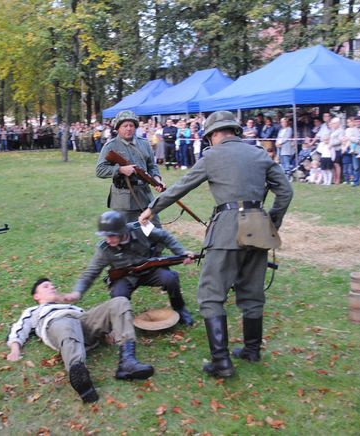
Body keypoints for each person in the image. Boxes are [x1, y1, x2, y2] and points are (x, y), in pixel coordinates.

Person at [138, 111, 293, 378]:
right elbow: (286, 192)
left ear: (212, 134)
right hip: (259, 228)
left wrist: (151, 209)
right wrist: (271, 222)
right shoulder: (258, 154)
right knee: (252, 293)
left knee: (211, 295)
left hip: (225, 231)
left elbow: (180, 187)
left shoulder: (212, 155)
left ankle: (221, 363)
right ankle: (252, 350)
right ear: (235, 131)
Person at [7, 278, 153, 403]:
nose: (52, 287)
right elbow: (20, 328)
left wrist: (105, 334)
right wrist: (15, 348)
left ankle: (127, 360)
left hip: (83, 323)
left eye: (52, 285)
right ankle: (80, 378)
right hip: (57, 325)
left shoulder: (70, 306)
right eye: (46, 286)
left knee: (120, 301)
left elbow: (93, 321)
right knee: (67, 324)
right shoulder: (33, 311)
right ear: (36, 296)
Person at [63, 211, 195, 326]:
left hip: (150, 270)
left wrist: (182, 252)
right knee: (118, 296)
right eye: (106, 236)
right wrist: (77, 292)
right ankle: (123, 326)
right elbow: (91, 273)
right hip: (126, 277)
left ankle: (180, 309)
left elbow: (165, 237)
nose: (108, 240)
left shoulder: (141, 228)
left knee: (170, 278)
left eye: (112, 235)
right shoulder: (104, 249)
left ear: (122, 231)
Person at [96, 110, 165, 226]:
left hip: (145, 197)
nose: (128, 128)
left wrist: (157, 179)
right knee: (125, 236)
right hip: (123, 201)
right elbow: (100, 170)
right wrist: (120, 170)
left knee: (155, 232)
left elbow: (152, 166)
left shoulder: (144, 144)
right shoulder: (111, 146)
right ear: (118, 128)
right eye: (125, 126)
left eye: (131, 125)